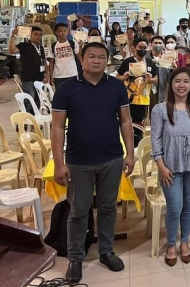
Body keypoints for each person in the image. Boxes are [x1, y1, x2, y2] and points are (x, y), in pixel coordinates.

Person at [51, 42, 135, 283]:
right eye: (91, 56)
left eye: (101, 57)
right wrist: (59, 162)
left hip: (111, 157)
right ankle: (75, 258)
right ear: (82, 58)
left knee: (108, 207)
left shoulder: (117, 87)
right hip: (78, 161)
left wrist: (130, 153)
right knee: (78, 210)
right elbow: (57, 127)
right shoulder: (67, 89)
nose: (96, 60)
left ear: (107, 61)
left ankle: (106, 251)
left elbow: (126, 122)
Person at [151, 67, 190, 266]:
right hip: (170, 166)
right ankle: (170, 244)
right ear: (170, 84)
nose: (182, 85)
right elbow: (156, 140)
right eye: (177, 81)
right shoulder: (160, 109)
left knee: (188, 205)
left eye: (186, 81)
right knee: (174, 207)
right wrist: (161, 166)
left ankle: (184, 242)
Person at [116, 38, 158, 125]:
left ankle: (138, 138)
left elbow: (156, 80)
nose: (142, 49)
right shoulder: (127, 62)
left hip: (142, 99)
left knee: (139, 123)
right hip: (127, 98)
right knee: (125, 122)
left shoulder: (150, 63)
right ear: (134, 48)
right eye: (140, 47)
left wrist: (150, 79)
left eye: (144, 47)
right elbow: (117, 77)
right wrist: (124, 77)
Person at [9, 26, 45, 114]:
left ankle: (34, 120)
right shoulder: (23, 45)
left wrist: (47, 74)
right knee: (28, 101)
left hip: (39, 78)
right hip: (28, 78)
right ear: (30, 35)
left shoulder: (41, 47)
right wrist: (13, 36)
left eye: (40, 35)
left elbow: (44, 61)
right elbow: (12, 50)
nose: (38, 37)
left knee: (38, 101)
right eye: (35, 34)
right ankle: (23, 122)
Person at [48, 23, 80, 88]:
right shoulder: (53, 46)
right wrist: (51, 76)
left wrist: (81, 46)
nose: (63, 33)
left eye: (65, 31)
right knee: (61, 95)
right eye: (60, 31)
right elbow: (51, 62)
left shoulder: (73, 43)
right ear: (56, 33)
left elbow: (80, 58)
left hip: (72, 74)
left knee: (73, 94)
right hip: (58, 76)